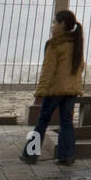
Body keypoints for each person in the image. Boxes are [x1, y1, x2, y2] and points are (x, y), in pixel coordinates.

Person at [22, 9, 85, 166]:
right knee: (67, 122)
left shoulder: (54, 44)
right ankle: (67, 155)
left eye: (54, 22)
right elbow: (81, 67)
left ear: (62, 24)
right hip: (71, 90)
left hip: (55, 89)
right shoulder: (76, 43)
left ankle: (30, 154)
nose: (52, 26)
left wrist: (40, 91)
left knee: (42, 121)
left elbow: (47, 70)